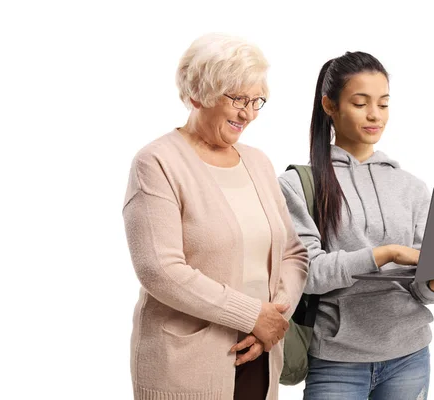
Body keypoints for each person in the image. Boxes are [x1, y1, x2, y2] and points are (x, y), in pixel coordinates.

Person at [278, 51, 434, 400]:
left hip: (410, 357)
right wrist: (385, 253)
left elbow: (421, 289)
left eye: (383, 103)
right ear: (329, 106)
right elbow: (309, 275)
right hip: (337, 362)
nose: (375, 115)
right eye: (360, 103)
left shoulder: (411, 187)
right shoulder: (298, 185)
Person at [122, 33, 308, 400]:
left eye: (257, 100)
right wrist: (250, 315)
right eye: (238, 98)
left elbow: (293, 253)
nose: (249, 113)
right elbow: (160, 269)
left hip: (260, 350)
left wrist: (273, 319)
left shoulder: (258, 162)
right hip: (187, 362)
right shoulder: (157, 162)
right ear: (197, 94)